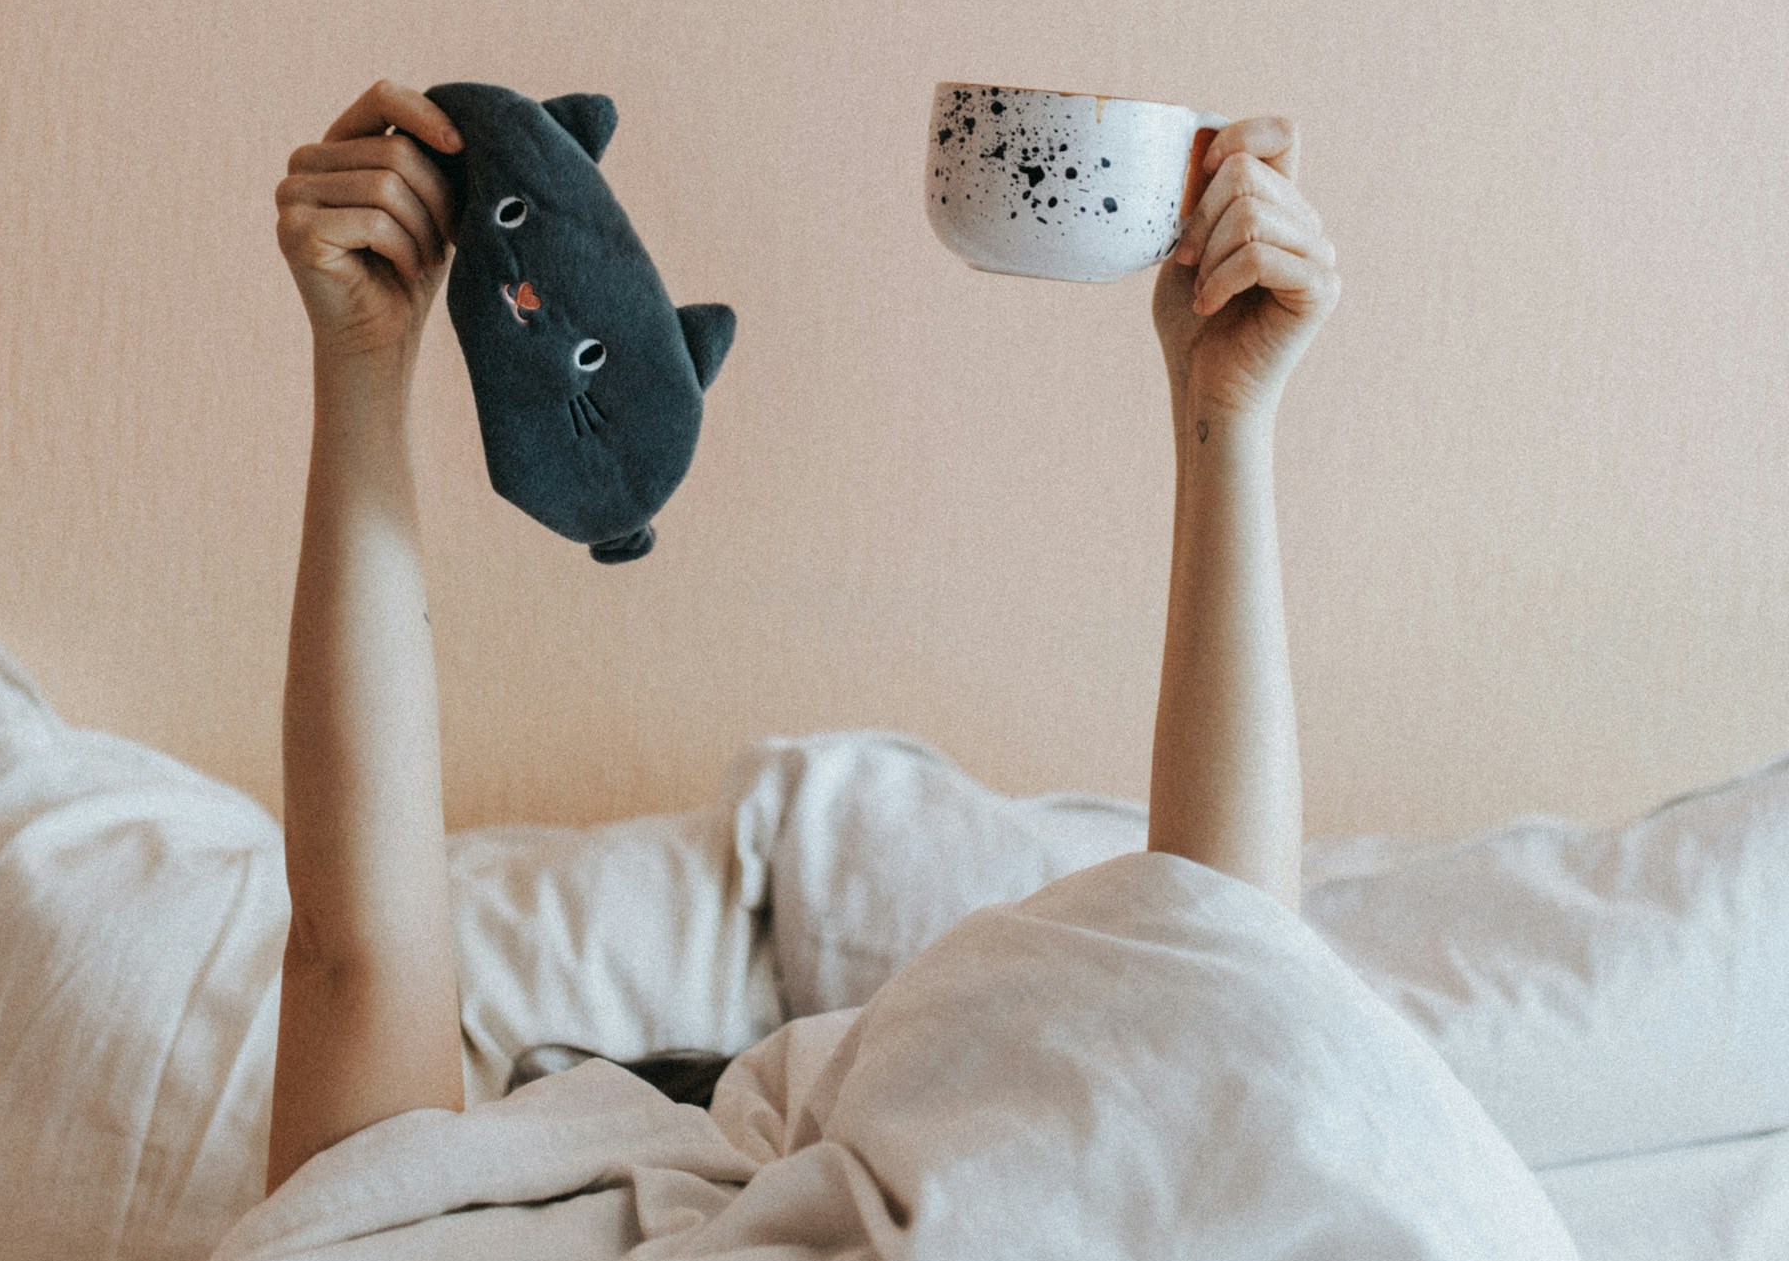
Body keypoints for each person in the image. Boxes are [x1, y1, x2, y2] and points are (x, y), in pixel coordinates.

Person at [267, 78, 1342, 1198]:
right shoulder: (521, 1225)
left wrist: (364, 370)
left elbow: (356, 961)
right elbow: (1228, 979)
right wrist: (1222, 415)